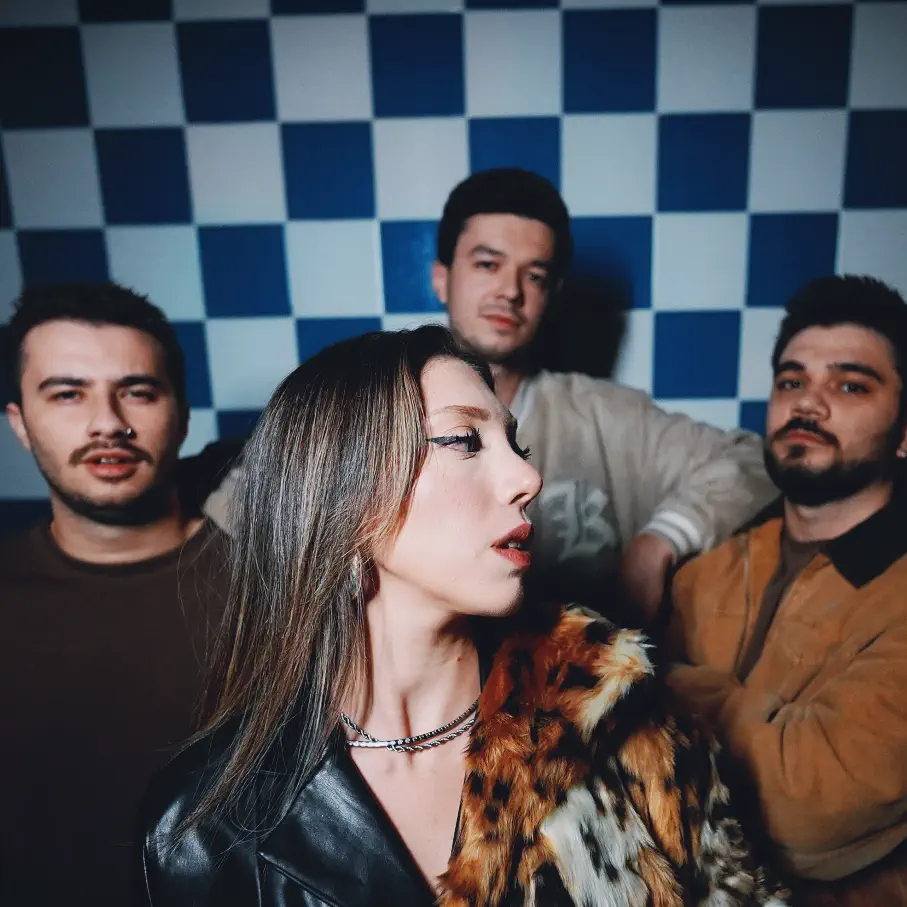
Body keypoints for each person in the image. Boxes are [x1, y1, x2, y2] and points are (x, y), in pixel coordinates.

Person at [139, 325, 790, 907]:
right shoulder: (199, 828)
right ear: (346, 493)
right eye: (464, 440)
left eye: (515, 444)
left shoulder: (615, 719)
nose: (526, 478)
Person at [203, 168, 776, 620]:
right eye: (487, 263)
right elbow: (232, 524)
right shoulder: (371, 404)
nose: (510, 291)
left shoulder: (607, 416)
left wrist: (659, 543)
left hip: (562, 704)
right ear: (441, 277)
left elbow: (752, 460)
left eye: (535, 275)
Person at [664, 275, 907, 905]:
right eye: (792, 382)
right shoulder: (707, 571)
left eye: (851, 386)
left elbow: (805, 811)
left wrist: (663, 683)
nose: (809, 405)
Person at [0, 282, 229, 907]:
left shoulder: (280, 593)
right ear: (20, 423)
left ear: (182, 414)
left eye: (138, 391)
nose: (107, 422)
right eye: (67, 393)